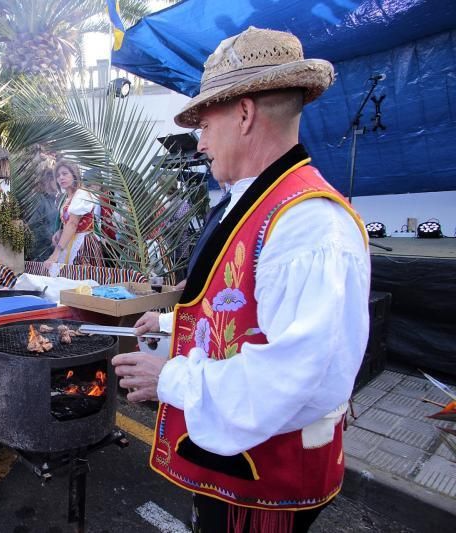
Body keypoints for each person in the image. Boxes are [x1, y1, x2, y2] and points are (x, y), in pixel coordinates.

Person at [111, 27, 370, 533]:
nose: (201, 143)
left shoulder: (309, 224)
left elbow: (300, 375)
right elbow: (238, 301)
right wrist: (171, 326)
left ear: (245, 114)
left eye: (205, 125)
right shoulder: (257, 198)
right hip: (238, 473)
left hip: (265, 488)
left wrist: (171, 378)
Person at [44, 161, 103, 268]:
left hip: (83, 244)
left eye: (65, 173)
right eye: (57, 176)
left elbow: (72, 224)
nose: (61, 177)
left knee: (82, 280)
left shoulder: (82, 194)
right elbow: (68, 223)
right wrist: (60, 231)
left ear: (74, 174)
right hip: (70, 240)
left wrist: (55, 254)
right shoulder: (65, 198)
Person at [26, 168, 61, 261]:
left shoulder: (54, 200)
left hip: (51, 250)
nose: (59, 181)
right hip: (40, 252)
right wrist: (51, 238)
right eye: (56, 178)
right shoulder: (40, 199)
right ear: (49, 180)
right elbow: (34, 223)